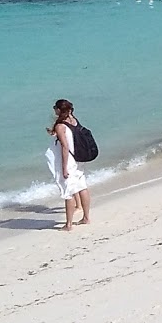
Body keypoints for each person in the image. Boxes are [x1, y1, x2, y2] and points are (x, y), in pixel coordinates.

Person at [46, 98, 92, 230]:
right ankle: (86, 217)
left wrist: (64, 167)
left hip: (70, 161)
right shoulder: (74, 121)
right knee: (82, 187)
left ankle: (69, 224)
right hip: (79, 158)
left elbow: (65, 147)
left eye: (55, 107)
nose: (54, 109)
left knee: (68, 192)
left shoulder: (61, 126)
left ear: (59, 110)